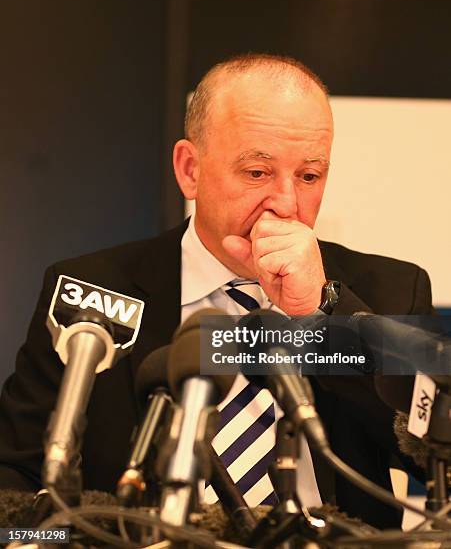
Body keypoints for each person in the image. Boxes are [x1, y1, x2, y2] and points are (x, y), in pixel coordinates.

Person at [0, 54, 432, 529]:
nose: (287, 204)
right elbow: (15, 481)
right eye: (257, 172)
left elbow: (431, 455)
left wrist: (320, 313)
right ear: (190, 169)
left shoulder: (387, 291)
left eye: (309, 176)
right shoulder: (90, 291)